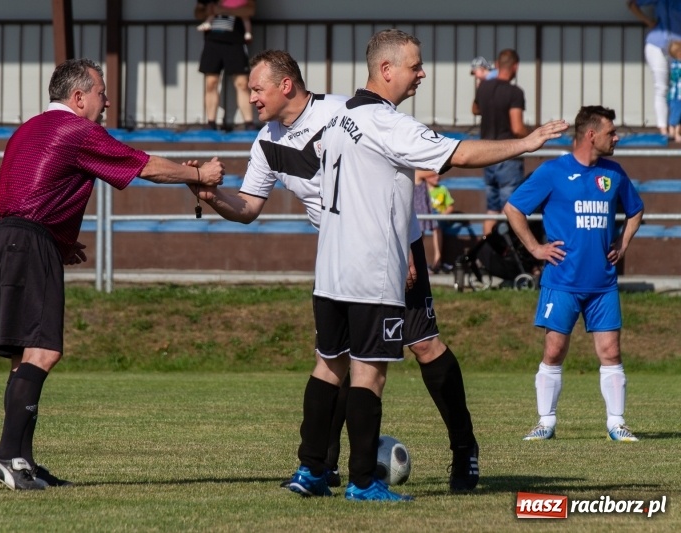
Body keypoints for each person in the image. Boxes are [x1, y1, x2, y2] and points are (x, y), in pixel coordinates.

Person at [296, 29, 567, 501]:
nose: (422, 73)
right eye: (415, 65)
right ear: (386, 69)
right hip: (374, 268)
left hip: (333, 267)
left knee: (332, 365)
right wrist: (525, 143)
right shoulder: (387, 123)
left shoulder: (339, 118)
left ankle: (312, 470)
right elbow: (460, 153)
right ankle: (362, 481)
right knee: (369, 372)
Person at [194, 49, 483, 494]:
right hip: (339, 254)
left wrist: (405, 249)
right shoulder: (266, 141)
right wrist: (213, 197)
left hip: (390, 246)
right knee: (337, 358)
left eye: (256, 89)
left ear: (285, 85)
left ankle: (464, 449)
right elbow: (248, 207)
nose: (250, 98)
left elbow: (394, 167)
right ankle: (323, 467)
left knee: (424, 345)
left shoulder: (339, 112)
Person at [0, 58, 224, 491]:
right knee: (43, 351)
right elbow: (143, 165)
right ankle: (6, 455)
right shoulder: (76, 130)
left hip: (4, 240)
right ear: (78, 98)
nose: (106, 102)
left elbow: (27, 188)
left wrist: (57, 240)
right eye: (101, 93)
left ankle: (22, 461)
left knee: (23, 356)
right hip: (28, 242)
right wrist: (199, 173)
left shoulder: (28, 129)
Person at [502, 105, 644, 442]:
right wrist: (536, 248)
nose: (617, 138)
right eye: (611, 132)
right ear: (591, 135)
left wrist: (622, 243)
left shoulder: (614, 173)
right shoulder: (553, 172)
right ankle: (545, 422)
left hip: (602, 284)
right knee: (553, 351)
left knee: (611, 352)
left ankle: (617, 423)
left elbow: (636, 211)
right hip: (561, 282)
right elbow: (513, 208)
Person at [472, 48, 529, 236]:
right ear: (515, 67)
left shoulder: (484, 87)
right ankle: (509, 253)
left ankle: (486, 250)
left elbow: (475, 110)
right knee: (511, 210)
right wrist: (531, 137)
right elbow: (517, 128)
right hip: (507, 156)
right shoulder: (515, 93)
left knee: (492, 209)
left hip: (486, 155)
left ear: (496, 65)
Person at [195, 0, 256, 130]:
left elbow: (250, 11)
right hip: (212, 42)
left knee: (242, 83)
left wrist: (220, 9)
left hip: (236, 41)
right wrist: (209, 9)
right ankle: (211, 122)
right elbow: (199, 13)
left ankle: (249, 122)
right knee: (211, 82)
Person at [628, 0, 681, 137]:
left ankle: (675, 129)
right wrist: (649, 21)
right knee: (661, 88)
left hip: (678, 49)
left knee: (677, 89)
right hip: (658, 44)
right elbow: (632, 4)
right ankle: (664, 130)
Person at [414, 170, 455, 274]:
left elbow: (450, 206)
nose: (437, 177)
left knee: (437, 226)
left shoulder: (441, 189)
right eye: (433, 176)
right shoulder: (420, 185)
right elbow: (418, 173)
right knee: (419, 230)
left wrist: (443, 215)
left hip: (437, 217)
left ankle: (437, 259)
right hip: (423, 215)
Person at [668, 40, 681, 142]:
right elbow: (676, 76)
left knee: (676, 115)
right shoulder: (676, 65)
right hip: (677, 96)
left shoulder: (674, 64)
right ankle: (675, 134)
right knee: (677, 116)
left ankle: (673, 133)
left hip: (675, 96)